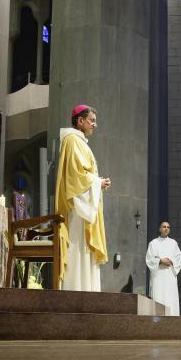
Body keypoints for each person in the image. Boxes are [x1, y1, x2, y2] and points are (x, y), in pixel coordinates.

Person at [55, 105, 111, 291]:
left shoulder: (79, 142)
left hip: (84, 205)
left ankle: (86, 290)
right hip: (78, 209)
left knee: (85, 251)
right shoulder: (72, 140)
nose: (95, 125)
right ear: (80, 121)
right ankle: (76, 290)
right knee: (79, 248)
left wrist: (98, 182)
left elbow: (82, 173)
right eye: (92, 120)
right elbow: (74, 175)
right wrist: (97, 183)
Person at [145, 221, 181, 316]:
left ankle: (172, 319)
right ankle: (158, 320)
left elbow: (179, 258)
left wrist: (171, 261)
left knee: (170, 298)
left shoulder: (173, 243)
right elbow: (149, 259)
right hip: (158, 275)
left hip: (170, 275)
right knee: (159, 297)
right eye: (164, 226)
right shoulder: (153, 243)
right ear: (160, 229)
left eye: (168, 227)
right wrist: (161, 261)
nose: (166, 228)